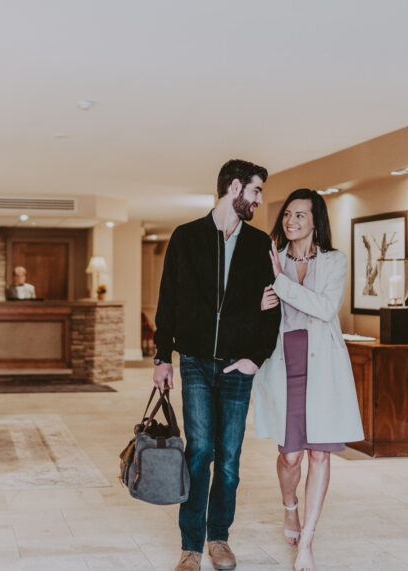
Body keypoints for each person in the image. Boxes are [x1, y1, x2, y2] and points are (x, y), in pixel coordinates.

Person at [153, 159, 281, 571]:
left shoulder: (260, 244)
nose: (260, 200)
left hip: (236, 367)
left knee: (228, 458)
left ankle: (219, 538)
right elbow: (168, 301)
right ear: (235, 187)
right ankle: (191, 546)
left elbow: (270, 310)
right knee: (199, 451)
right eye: (256, 190)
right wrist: (162, 355)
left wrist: (255, 359)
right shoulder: (186, 237)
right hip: (193, 362)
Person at [253, 188, 364, 571]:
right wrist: (263, 303)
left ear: (316, 221)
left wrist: (281, 285)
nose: (291, 221)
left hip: (323, 366)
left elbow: (325, 308)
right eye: (287, 214)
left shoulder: (335, 261)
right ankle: (290, 509)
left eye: (301, 215)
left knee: (319, 452)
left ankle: (308, 542)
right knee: (290, 454)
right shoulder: (272, 258)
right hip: (285, 361)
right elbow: (258, 311)